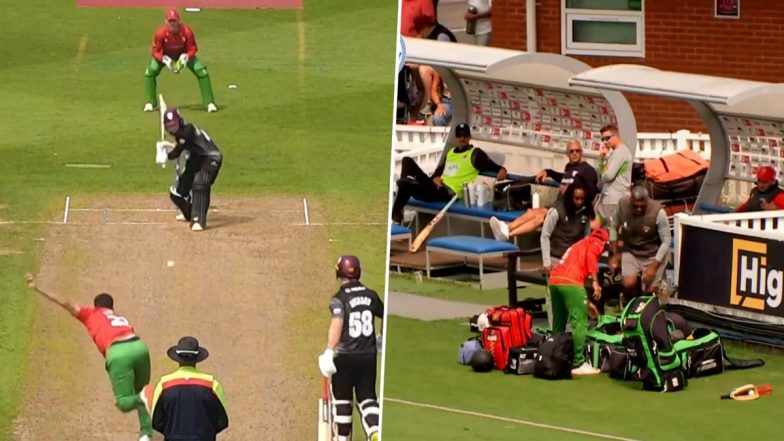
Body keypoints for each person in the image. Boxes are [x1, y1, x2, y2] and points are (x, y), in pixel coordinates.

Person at [24, 273, 154, 441]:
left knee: (124, 402)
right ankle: (146, 434)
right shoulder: (119, 317)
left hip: (119, 352)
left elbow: (65, 303)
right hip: (139, 346)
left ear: (96, 305)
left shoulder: (90, 313)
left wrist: (37, 288)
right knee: (143, 390)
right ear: (111, 308)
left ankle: (150, 398)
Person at [318, 256, 384, 441]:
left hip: (345, 357)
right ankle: (375, 431)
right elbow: (385, 314)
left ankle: (343, 438)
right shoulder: (371, 295)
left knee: (342, 401)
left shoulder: (339, 298)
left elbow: (337, 323)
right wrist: (381, 337)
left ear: (339, 273)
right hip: (368, 357)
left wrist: (330, 351)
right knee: (367, 398)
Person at [391, 123, 507, 224]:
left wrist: (502, 170)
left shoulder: (476, 154)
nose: (462, 138)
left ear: (470, 136)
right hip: (436, 187)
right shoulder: (451, 152)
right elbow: (438, 171)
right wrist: (436, 177)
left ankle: (396, 216)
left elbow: (495, 167)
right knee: (406, 161)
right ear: (456, 137)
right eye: (459, 135)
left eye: (465, 135)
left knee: (403, 183)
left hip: (448, 193)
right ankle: (397, 214)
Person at [489, 139, 598, 240]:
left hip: (570, 212)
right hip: (559, 205)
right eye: (571, 151)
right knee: (531, 212)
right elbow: (564, 178)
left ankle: (508, 234)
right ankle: (506, 228)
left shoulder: (587, 170)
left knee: (540, 217)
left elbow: (590, 194)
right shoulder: (569, 167)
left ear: (582, 152)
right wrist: (549, 172)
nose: (574, 153)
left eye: (577, 151)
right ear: (567, 154)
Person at [548, 228, 608, 375]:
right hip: (571, 283)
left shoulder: (580, 244)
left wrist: (587, 304)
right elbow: (590, 257)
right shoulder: (596, 243)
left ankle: (555, 355)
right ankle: (578, 363)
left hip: (555, 281)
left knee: (559, 321)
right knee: (579, 322)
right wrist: (595, 281)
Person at [157, 108, 223, 231]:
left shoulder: (187, 131)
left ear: (180, 121)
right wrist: (165, 148)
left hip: (210, 157)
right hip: (196, 158)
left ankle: (198, 220)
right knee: (178, 191)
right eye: (170, 126)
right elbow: (180, 147)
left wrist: (165, 155)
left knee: (200, 183)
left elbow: (178, 151)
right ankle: (189, 213)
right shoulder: (181, 135)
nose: (173, 128)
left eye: (175, 125)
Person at [151, 336, 229, 441]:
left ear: (177, 358)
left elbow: (156, 422)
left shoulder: (164, 384)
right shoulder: (212, 385)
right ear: (197, 359)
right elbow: (222, 421)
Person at [144, 9, 217, 113]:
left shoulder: (186, 31)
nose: (172, 24)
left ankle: (209, 103)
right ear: (166, 22)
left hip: (183, 55)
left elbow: (193, 48)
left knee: (202, 72)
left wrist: (186, 56)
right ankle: (150, 102)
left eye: (174, 21)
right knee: (150, 71)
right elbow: (155, 52)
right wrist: (164, 59)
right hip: (165, 56)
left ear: (179, 21)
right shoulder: (160, 34)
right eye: (170, 21)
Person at [609, 186, 672, 299]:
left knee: (650, 292)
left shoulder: (658, 212)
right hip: (631, 250)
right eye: (635, 206)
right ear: (630, 201)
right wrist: (615, 253)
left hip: (652, 252)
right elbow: (613, 226)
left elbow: (666, 240)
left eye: (642, 207)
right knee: (628, 285)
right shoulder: (622, 205)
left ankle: (655, 296)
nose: (638, 209)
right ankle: (631, 309)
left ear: (647, 202)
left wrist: (654, 265)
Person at [540, 179, 595, 277]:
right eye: (577, 198)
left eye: (582, 199)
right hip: (556, 259)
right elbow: (545, 236)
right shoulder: (556, 211)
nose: (580, 201)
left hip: (575, 260)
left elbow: (586, 238)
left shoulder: (586, 212)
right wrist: (546, 263)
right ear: (570, 197)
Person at [596, 124, 632, 225]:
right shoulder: (615, 152)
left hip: (615, 198)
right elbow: (603, 174)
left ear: (615, 136)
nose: (605, 142)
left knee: (612, 232)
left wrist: (602, 163)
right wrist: (602, 159)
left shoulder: (620, 153)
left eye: (607, 138)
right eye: (602, 139)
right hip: (612, 197)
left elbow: (607, 176)